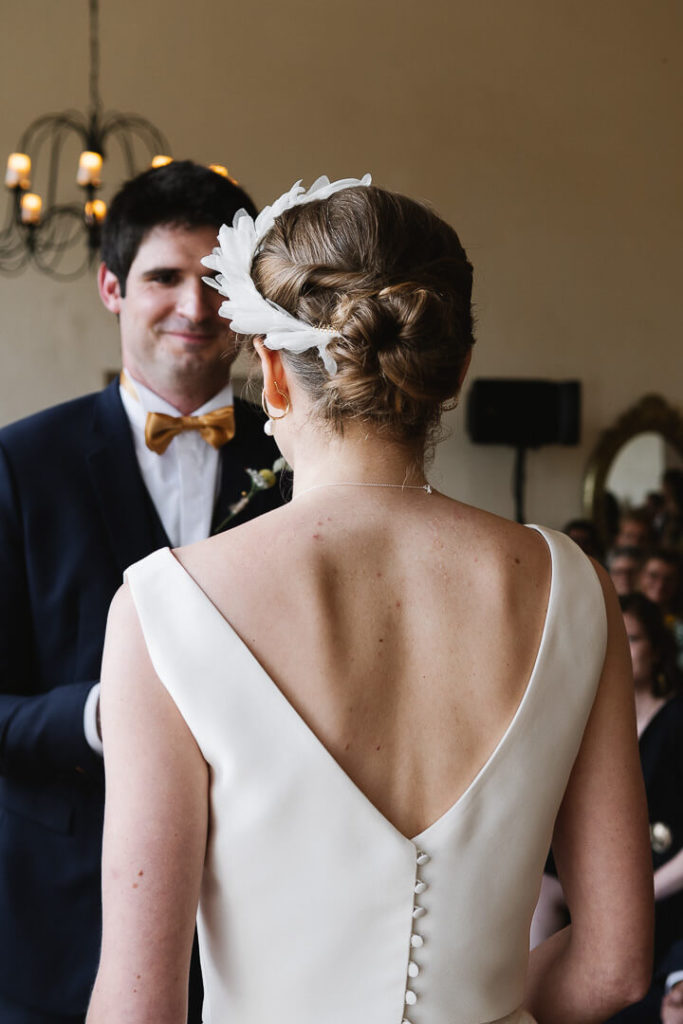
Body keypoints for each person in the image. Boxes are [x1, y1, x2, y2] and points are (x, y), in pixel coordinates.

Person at [87, 175, 652, 1024]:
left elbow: (138, 1008)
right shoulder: (573, 587)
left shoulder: (163, 611)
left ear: (270, 374)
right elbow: (614, 970)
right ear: (452, 372)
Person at [0, 160, 283, 1024]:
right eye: (165, 277)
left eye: (215, 283)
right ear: (112, 286)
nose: (194, 309)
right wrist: (101, 715)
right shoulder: (20, 466)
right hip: (63, 908)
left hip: (261, 905)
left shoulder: (302, 462)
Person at [533, 592, 683, 1023]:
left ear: (656, 648)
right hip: (592, 890)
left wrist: (641, 891)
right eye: (610, 638)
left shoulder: (674, 723)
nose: (618, 650)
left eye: (632, 639)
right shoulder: (587, 724)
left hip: (661, 893)